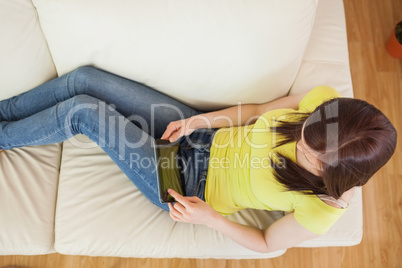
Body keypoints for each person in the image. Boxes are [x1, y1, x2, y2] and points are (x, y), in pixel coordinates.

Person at [0, 66, 397, 253]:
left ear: (337, 175)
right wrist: (197, 120)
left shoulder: (322, 209)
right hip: (202, 134)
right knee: (84, 80)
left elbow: (266, 242)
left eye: (309, 156)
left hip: (187, 183)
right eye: (304, 136)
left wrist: (210, 218)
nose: (297, 147)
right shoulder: (322, 105)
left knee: (82, 112)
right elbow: (258, 109)